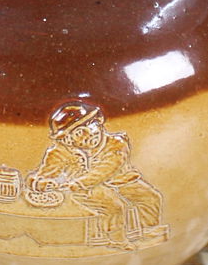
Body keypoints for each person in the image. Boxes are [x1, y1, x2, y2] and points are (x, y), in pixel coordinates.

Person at [26, 102, 165, 248]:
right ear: (67, 139)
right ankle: (116, 239)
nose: (90, 134)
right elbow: (43, 173)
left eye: (92, 127)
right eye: (79, 133)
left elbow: (108, 167)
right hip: (86, 190)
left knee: (150, 196)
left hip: (121, 181)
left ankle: (146, 229)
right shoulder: (59, 152)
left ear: (99, 123)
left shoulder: (116, 143)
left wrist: (80, 182)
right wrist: (42, 183)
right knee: (115, 206)